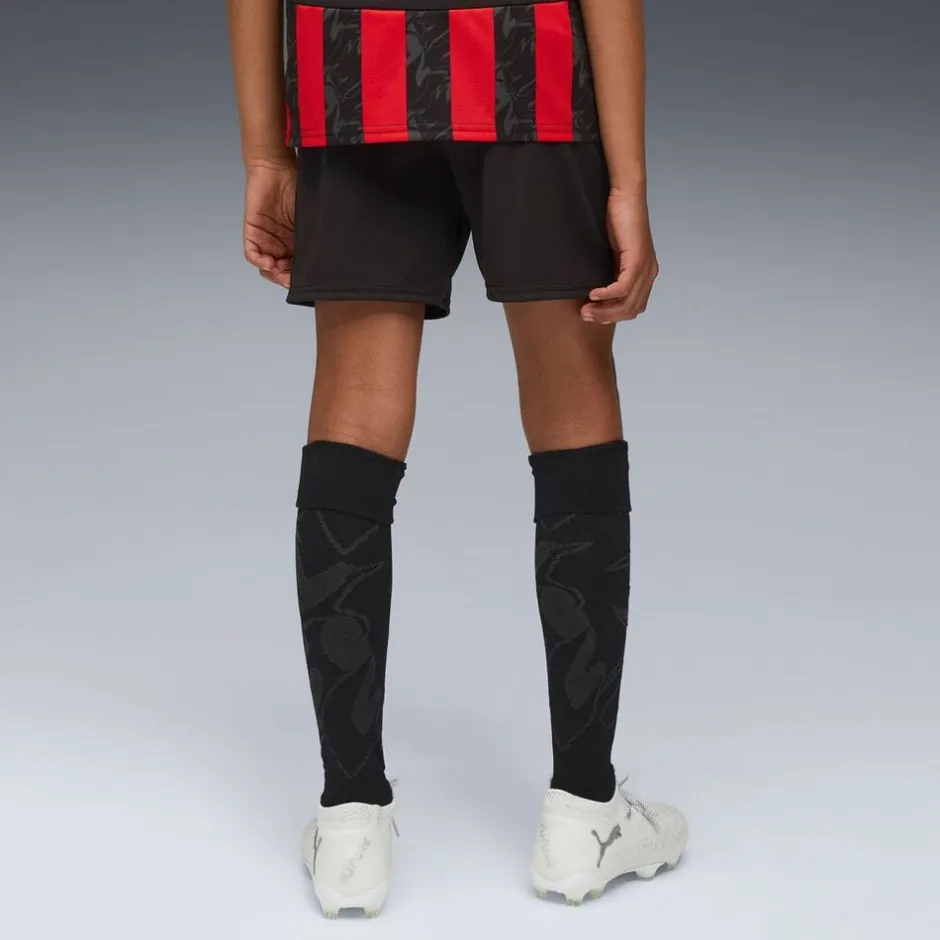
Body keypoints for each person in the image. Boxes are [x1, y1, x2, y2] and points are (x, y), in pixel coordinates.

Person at [226, 0, 688, 917]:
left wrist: (267, 155)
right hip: (528, 66)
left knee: (354, 403)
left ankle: (350, 823)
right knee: (571, 395)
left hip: (355, 69)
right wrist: (628, 181)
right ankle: (583, 811)